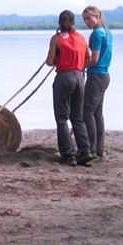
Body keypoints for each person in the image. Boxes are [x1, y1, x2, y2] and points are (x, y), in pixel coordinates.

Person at [45, 10, 94, 166]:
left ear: (60, 23)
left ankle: (68, 155)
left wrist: (61, 60)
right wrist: (78, 67)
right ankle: (85, 151)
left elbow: (49, 61)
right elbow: (90, 58)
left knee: (61, 118)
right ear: (73, 22)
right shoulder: (81, 38)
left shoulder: (56, 39)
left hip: (64, 77)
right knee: (77, 117)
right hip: (80, 77)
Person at [82, 6, 113, 160]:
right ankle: (99, 150)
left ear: (98, 16)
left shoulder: (97, 33)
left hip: (96, 76)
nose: (86, 22)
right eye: (84, 19)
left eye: (88, 18)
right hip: (104, 76)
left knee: (87, 112)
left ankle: (92, 150)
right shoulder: (108, 32)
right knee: (97, 113)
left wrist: (80, 66)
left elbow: (93, 60)